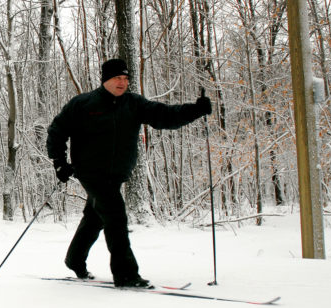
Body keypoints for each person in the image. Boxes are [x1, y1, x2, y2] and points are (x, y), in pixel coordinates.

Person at [46, 59, 212, 288]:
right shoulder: (83, 104)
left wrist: (196, 110)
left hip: (117, 173)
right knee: (115, 217)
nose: (122, 82)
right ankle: (125, 274)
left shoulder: (134, 104)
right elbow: (57, 131)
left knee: (95, 218)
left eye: (125, 78)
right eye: (117, 78)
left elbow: (165, 116)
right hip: (91, 172)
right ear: (105, 79)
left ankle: (74, 259)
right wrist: (59, 162)